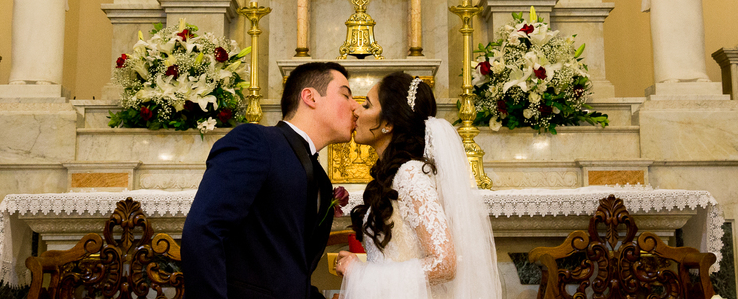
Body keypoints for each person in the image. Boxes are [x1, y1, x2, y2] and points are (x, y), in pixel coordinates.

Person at [182, 61, 359, 299]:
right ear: (310, 97)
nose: (356, 107)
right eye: (346, 95)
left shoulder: (322, 181)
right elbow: (204, 231)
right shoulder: (255, 141)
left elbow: (291, 272)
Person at [336, 72, 501, 299]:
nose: (356, 110)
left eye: (366, 105)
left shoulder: (410, 175)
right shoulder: (395, 174)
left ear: (388, 124)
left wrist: (361, 273)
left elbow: (444, 264)